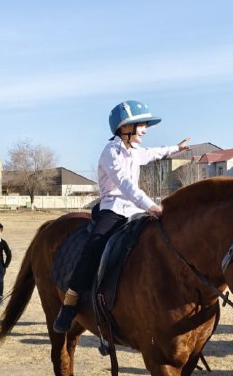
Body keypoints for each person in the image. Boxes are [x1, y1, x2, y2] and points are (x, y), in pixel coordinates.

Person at [52, 100, 190, 333]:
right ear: (125, 128)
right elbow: (125, 184)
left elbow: (155, 153)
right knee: (94, 247)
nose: (145, 130)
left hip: (136, 211)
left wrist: (176, 149)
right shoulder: (110, 152)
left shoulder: (135, 151)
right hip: (113, 208)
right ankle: (71, 302)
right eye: (141, 125)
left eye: (145, 125)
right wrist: (151, 206)